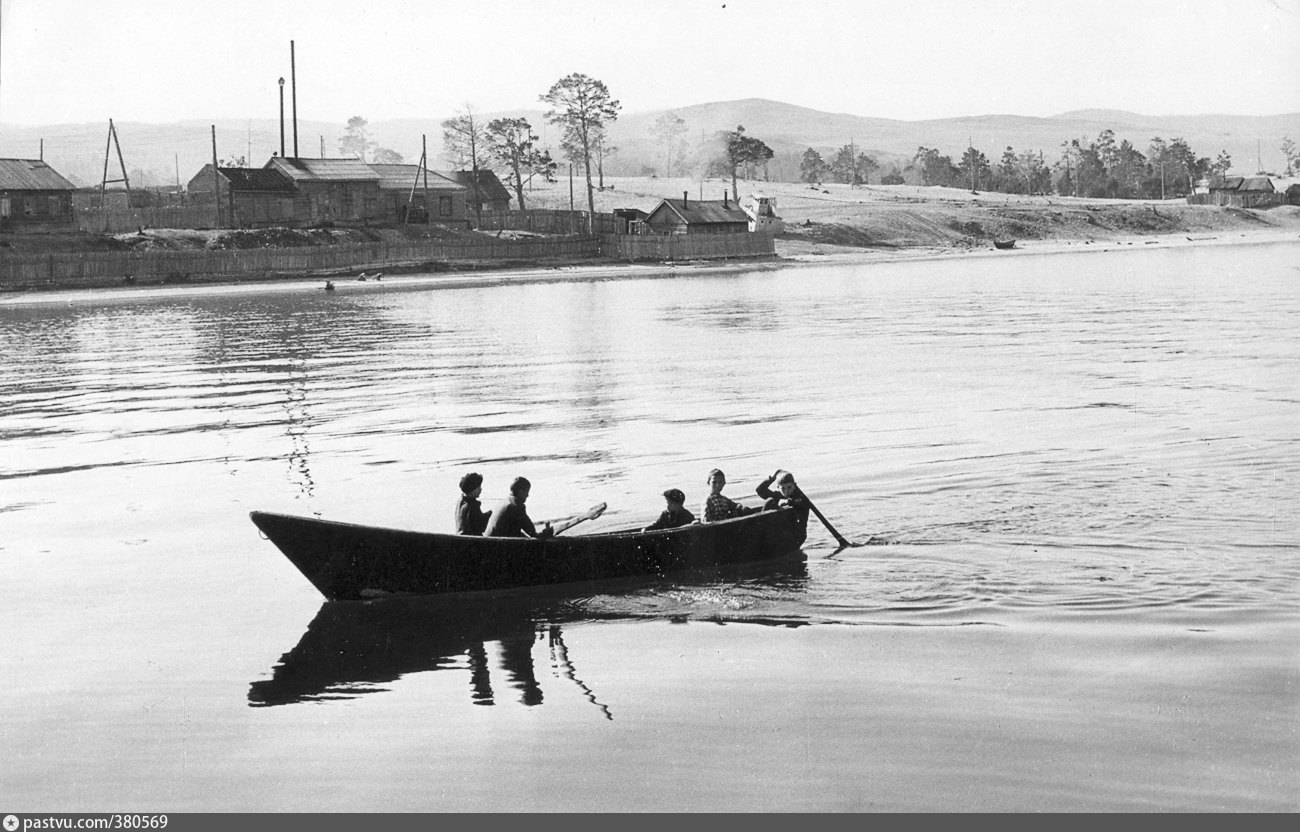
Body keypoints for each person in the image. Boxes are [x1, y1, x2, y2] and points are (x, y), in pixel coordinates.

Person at [484, 476, 554, 539]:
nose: (527, 495)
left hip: (490, 542)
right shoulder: (517, 506)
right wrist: (544, 534)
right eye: (527, 492)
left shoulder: (503, 502)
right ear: (521, 492)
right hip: (497, 545)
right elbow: (531, 531)